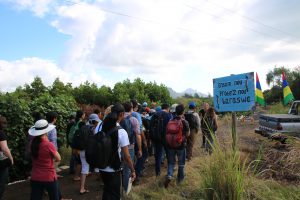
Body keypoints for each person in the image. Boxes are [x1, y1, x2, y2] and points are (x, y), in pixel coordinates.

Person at [100, 104, 136, 200]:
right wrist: (132, 170)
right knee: (115, 195)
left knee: (107, 192)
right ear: (122, 114)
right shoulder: (121, 132)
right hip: (113, 169)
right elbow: (127, 156)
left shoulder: (101, 126)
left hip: (101, 167)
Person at [28, 119, 62, 200]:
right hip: (49, 176)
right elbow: (59, 158)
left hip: (35, 176)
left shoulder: (31, 143)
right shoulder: (48, 145)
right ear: (46, 132)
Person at [164, 104, 190, 188]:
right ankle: (180, 180)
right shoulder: (184, 121)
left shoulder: (171, 120)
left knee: (171, 162)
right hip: (180, 145)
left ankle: (169, 175)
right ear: (182, 112)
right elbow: (188, 134)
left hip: (170, 145)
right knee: (181, 163)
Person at [120, 101, 142, 191]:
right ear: (132, 108)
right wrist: (140, 149)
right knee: (128, 169)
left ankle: (120, 189)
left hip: (118, 147)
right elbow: (138, 135)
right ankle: (126, 191)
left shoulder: (118, 119)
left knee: (119, 168)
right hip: (129, 147)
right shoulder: (133, 119)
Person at [151, 103, 172, 177]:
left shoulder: (155, 114)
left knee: (158, 156)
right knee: (169, 155)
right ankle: (169, 172)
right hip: (166, 138)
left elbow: (151, 126)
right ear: (168, 108)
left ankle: (158, 173)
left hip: (157, 138)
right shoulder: (169, 115)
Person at [0, 115, 13, 200]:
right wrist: (11, 159)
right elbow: (4, 148)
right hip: (1, 162)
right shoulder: (0, 133)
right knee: (1, 182)